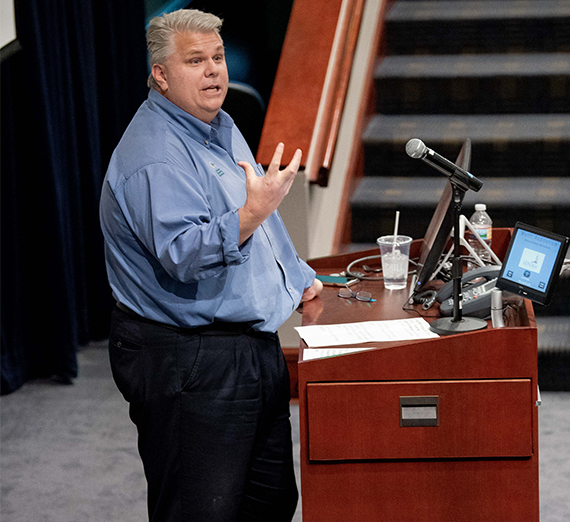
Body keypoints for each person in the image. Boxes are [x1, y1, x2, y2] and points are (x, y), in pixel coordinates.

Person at [99, 8, 322, 522]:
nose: (214, 71)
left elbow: (263, 226)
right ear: (160, 75)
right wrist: (251, 212)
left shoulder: (216, 124)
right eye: (195, 61)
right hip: (191, 362)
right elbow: (185, 254)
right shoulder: (155, 153)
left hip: (248, 351)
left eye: (217, 57)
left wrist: (300, 279)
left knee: (268, 503)